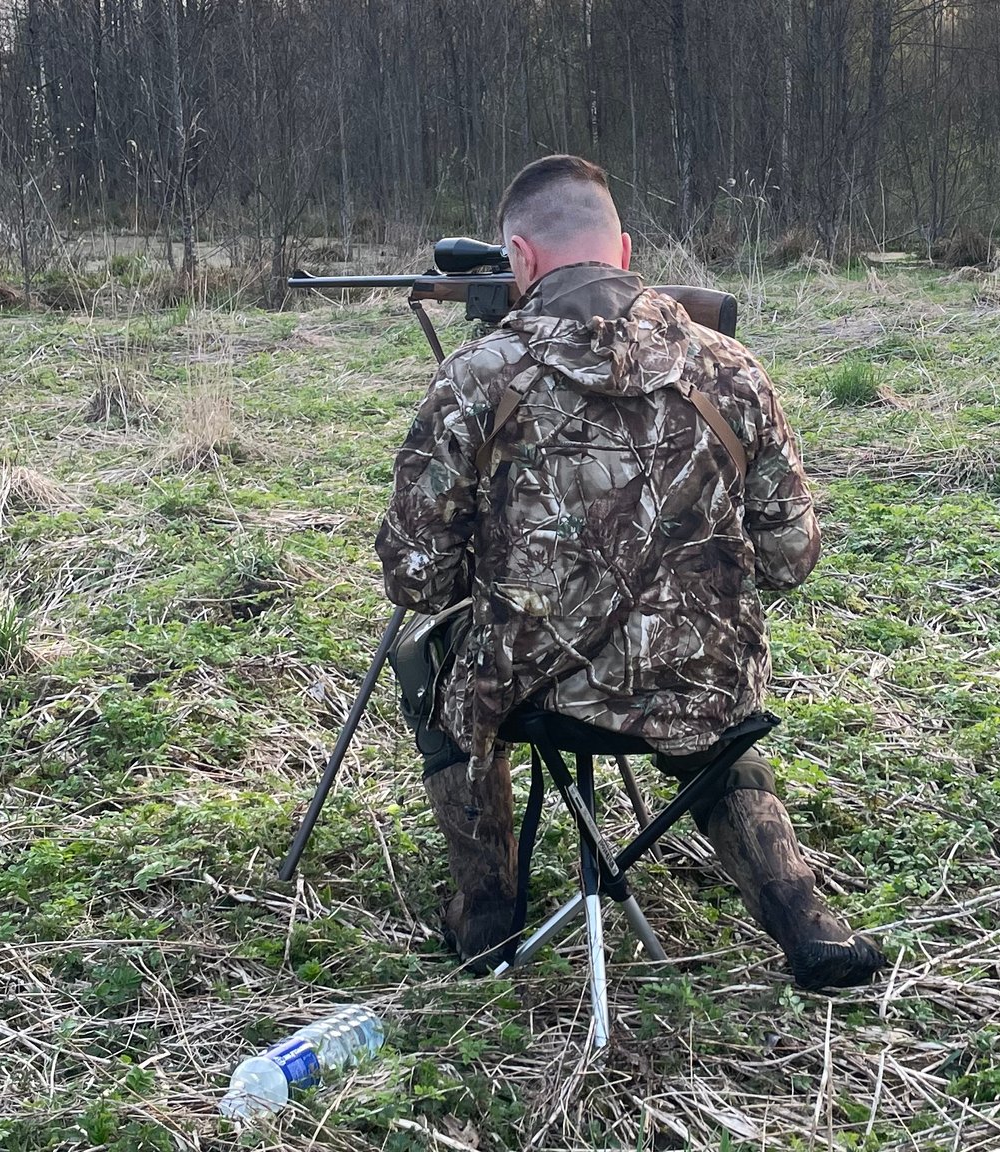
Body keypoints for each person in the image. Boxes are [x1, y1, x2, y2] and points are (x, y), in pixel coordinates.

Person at [375, 154, 885, 989]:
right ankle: (804, 920)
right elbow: (793, 557)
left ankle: (489, 917)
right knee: (713, 723)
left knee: (421, 657)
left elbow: (415, 579)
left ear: (520, 258)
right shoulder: (733, 368)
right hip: (702, 685)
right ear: (623, 248)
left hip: (531, 695)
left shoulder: (474, 378)